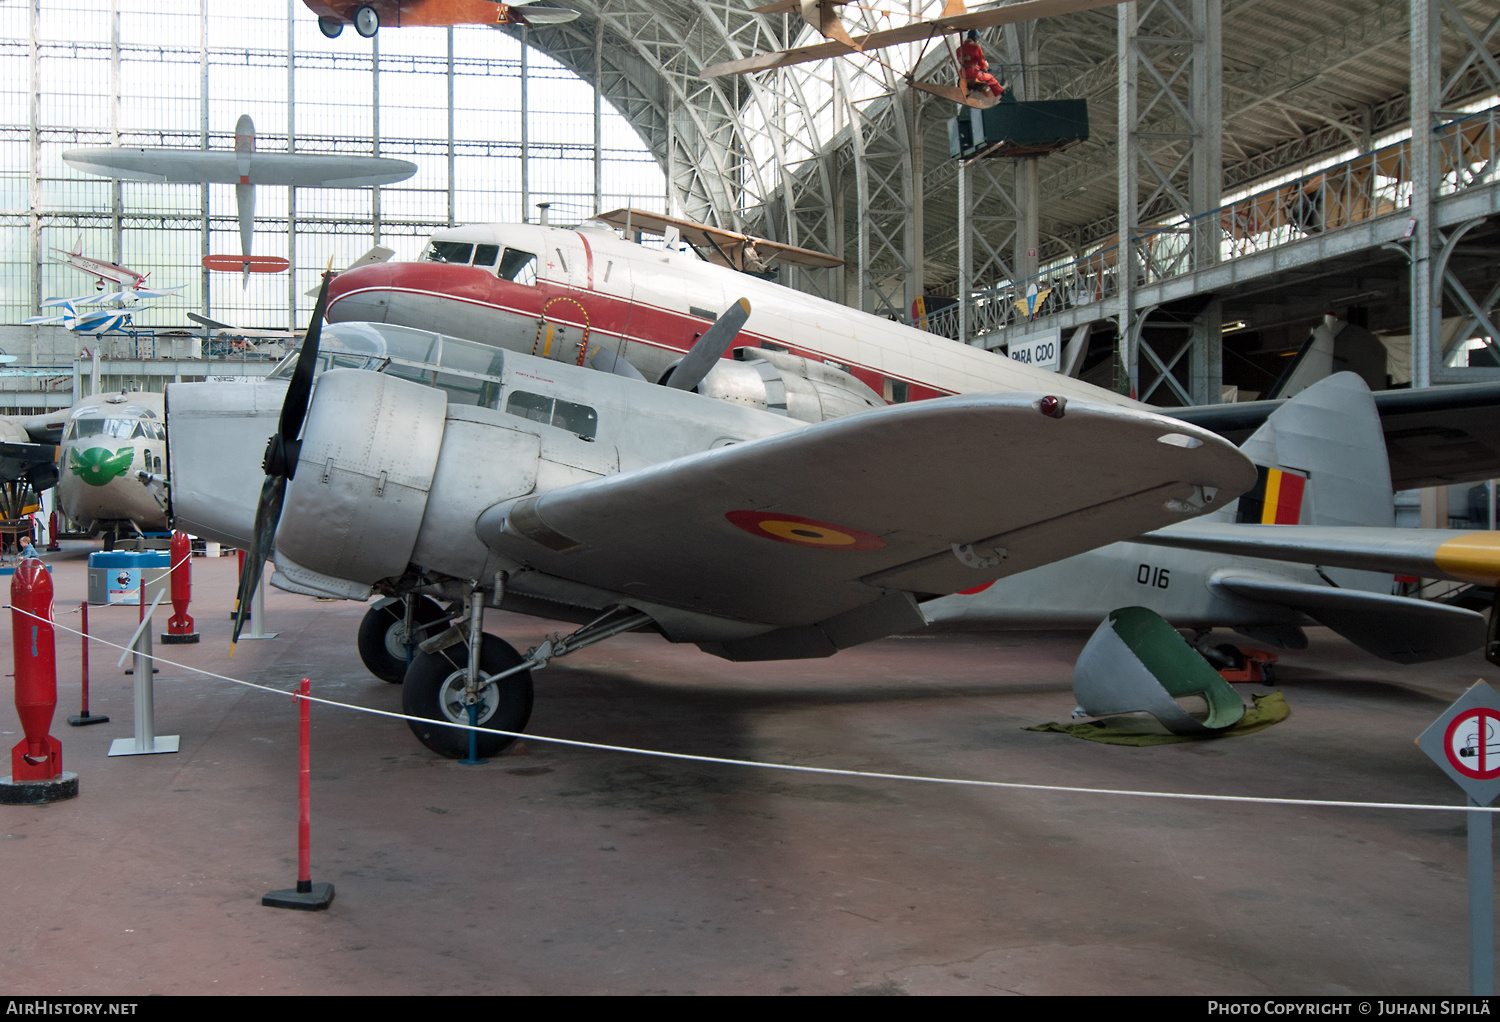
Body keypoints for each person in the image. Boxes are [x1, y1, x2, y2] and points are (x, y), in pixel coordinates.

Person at [958, 30, 1004, 99]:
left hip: (962, 74)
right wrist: (985, 67)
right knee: (990, 78)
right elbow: (981, 62)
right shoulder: (976, 47)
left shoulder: (959, 49)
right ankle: (999, 94)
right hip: (973, 74)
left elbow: (962, 62)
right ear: (975, 38)